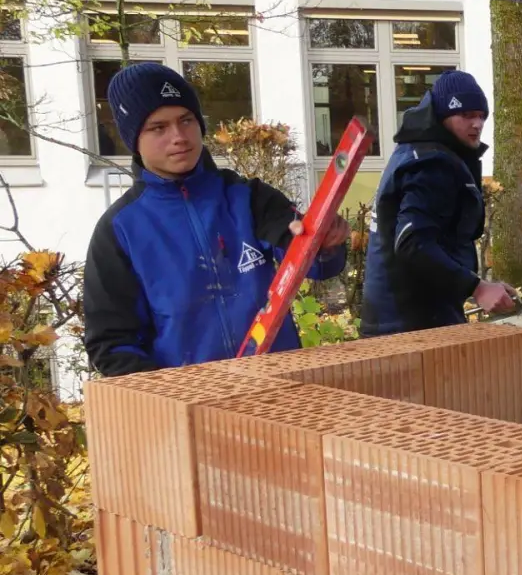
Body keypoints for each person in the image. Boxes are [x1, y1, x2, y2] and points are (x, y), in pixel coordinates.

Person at [84, 63, 349, 376]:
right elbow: (112, 345)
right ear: (133, 139)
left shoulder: (248, 197)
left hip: (278, 390)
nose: (179, 136)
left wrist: (322, 243)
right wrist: (169, 400)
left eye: (186, 120)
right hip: (188, 409)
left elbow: (314, 263)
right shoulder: (119, 230)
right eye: (158, 128)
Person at [361, 70, 515, 336]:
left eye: (481, 115)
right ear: (442, 117)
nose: (477, 124)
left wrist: (478, 284)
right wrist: (476, 288)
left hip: (400, 319)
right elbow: (412, 243)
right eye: (466, 115)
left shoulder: (417, 152)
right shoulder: (431, 164)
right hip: (409, 327)